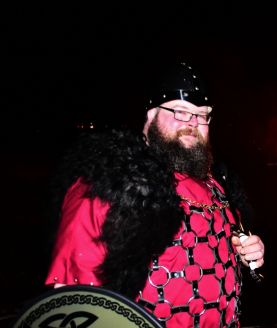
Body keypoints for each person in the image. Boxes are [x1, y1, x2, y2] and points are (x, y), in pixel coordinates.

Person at [44, 61, 265, 327]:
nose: (193, 123)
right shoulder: (109, 188)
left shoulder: (217, 185)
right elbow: (74, 302)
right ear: (150, 116)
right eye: (181, 111)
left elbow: (223, 246)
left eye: (202, 114)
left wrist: (246, 251)